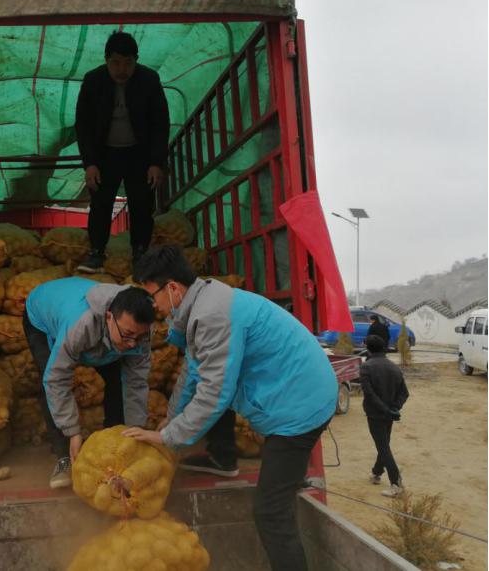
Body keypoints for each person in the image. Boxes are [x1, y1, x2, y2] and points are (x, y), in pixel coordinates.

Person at [122, 245, 337, 571]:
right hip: (292, 392)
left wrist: (168, 438)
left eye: (153, 297)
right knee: (274, 500)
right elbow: (192, 372)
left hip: (300, 406)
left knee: (270, 512)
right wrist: (168, 424)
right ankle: (225, 462)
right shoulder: (202, 305)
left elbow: (214, 393)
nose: (154, 306)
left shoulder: (211, 316)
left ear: (173, 288)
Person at [23, 277, 155, 489]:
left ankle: (116, 446)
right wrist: (73, 432)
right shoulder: (80, 326)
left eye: (139, 338)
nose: (132, 344)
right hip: (42, 313)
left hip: (96, 327)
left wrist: (135, 431)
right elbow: (56, 380)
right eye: (129, 335)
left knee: (118, 379)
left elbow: (136, 382)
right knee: (50, 377)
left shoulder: (139, 331)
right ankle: (64, 455)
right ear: (109, 316)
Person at [74, 31, 170, 272]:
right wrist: (90, 164)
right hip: (105, 154)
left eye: (128, 63)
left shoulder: (149, 80)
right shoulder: (93, 81)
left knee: (142, 203)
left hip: (139, 153)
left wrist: (156, 162)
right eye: (115, 63)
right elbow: (83, 126)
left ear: (136, 60)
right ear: (106, 60)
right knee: (100, 203)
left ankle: (140, 254)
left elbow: (160, 123)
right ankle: (96, 253)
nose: (122, 69)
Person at [360, 334, 409, 498]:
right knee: (384, 443)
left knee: (383, 446)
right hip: (389, 415)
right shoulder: (394, 367)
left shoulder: (366, 367)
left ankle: (396, 483)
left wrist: (387, 410)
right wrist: (394, 408)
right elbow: (404, 393)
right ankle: (376, 473)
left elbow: (369, 394)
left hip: (375, 414)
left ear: (368, 348)